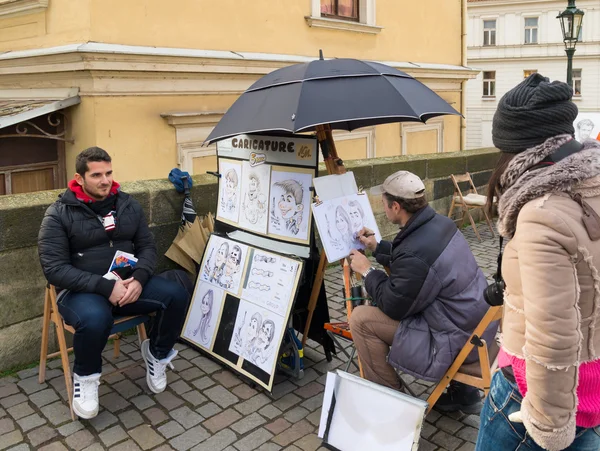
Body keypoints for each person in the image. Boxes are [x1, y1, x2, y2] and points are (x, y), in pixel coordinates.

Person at [475, 74, 600, 450]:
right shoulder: (592, 182)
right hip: (590, 389)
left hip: (535, 398)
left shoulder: (541, 212)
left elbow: (554, 336)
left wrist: (546, 424)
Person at [37, 147, 189, 420]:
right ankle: (86, 376)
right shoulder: (58, 214)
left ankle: (157, 353)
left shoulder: (128, 205)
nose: (105, 180)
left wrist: (140, 280)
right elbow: (54, 269)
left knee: (177, 293)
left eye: (108, 173)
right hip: (82, 292)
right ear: (79, 178)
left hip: (129, 282)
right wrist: (105, 287)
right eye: (96, 175)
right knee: (95, 318)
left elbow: (147, 247)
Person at [348, 170, 497, 414]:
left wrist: (367, 272)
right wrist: (377, 247)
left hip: (457, 339)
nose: (384, 209)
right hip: (476, 325)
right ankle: (463, 393)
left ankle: (394, 405)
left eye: (384, 204)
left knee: (361, 320)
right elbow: (412, 263)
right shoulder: (440, 224)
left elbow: (393, 304)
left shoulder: (416, 251)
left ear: (396, 206)